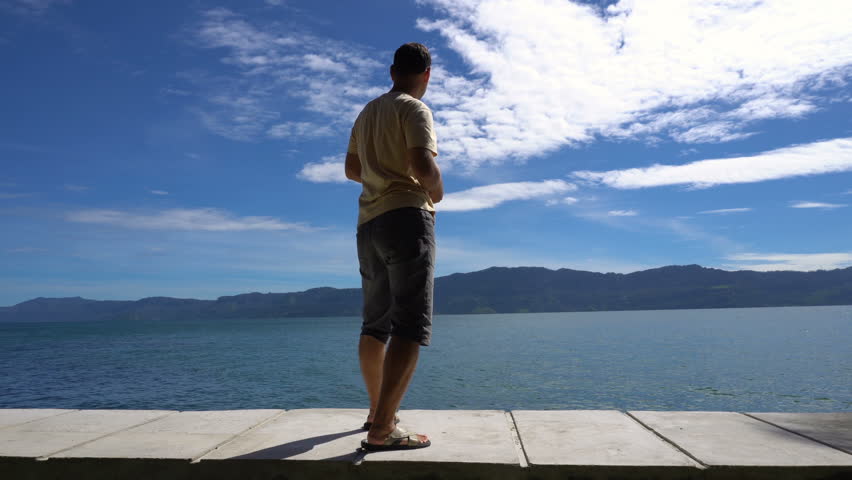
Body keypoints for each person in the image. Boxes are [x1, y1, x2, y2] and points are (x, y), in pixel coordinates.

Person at [344, 42, 443, 452]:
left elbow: (352, 169)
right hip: (405, 217)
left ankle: (376, 411)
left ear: (391, 71)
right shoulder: (415, 109)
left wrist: (377, 177)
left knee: (375, 323)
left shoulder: (367, 112)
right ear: (427, 74)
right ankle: (383, 429)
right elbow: (422, 163)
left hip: (369, 224)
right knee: (408, 324)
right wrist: (435, 192)